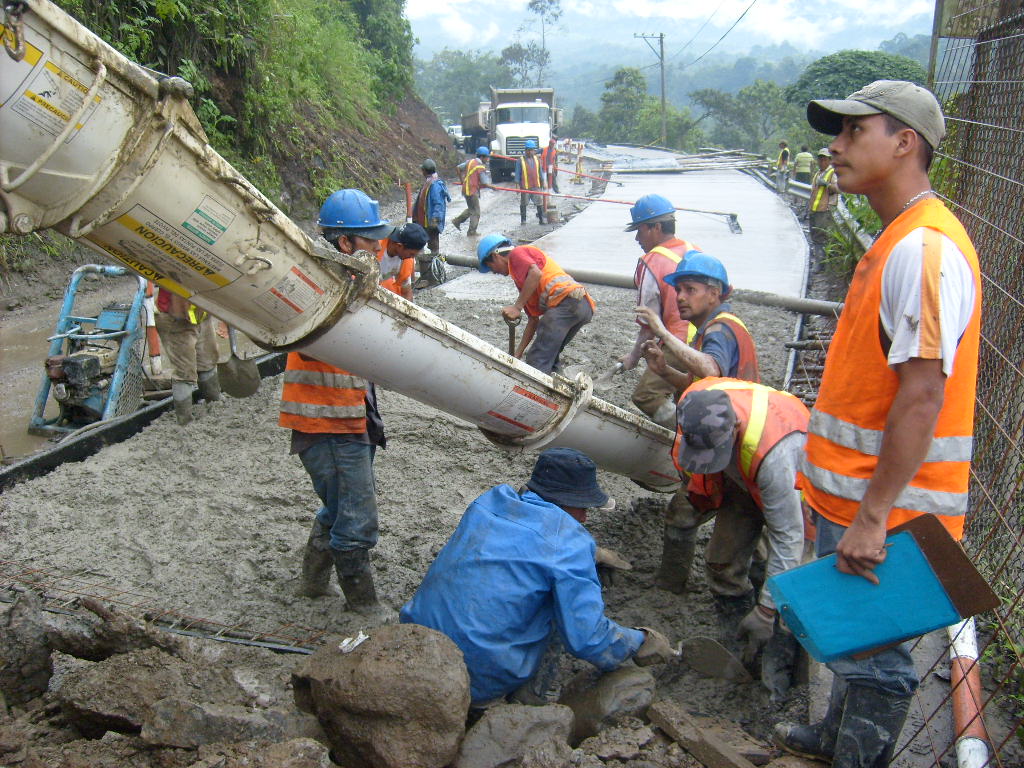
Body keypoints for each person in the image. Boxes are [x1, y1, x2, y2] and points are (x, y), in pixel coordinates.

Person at [772, 80, 982, 768]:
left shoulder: (922, 251)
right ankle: (831, 740)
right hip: (857, 496)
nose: (833, 148)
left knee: (879, 661)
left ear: (904, 142)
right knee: (854, 638)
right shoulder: (899, 239)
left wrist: (873, 516)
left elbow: (922, 396)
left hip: (886, 508)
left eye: (853, 131)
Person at [400, 447, 676, 709]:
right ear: (568, 502)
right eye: (583, 507)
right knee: (559, 610)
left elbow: (522, 545)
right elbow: (588, 638)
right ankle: (530, 698)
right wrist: (639, 641)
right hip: (475, 676)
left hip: (415, 643)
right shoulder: (571, 545)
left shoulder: (489, 502)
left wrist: (587, 556)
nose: (585, 517)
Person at [283, 189, 394, 617]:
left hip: (348, 418)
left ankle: (312, 584)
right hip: (328, 424)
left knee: (339, 505)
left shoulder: (347, 288)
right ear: (345, 244)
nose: (379, 249)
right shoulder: (319, 293)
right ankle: (363, 603)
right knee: (357, 515)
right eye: (370, 241)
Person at [634, 252, 761, 595]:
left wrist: (661, 329)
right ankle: (678, 586)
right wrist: (664, 371)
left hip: (734, 448)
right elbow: (701, 385)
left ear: (715, 293)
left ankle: (674, 589)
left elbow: (711, 371)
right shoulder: (711, 330)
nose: (680, 297)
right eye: (678, 291)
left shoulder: (721, 329)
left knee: (696, 522)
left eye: (690, 289)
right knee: (728, 521)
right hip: (733, 444)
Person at [671, 378, 808, 670]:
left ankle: (776, 654)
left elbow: (789, 537)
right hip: (742, 474)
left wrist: (767, 611)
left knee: (790, 585)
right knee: (722, 563)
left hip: (790, 481)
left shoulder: (774, 459)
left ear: (733, 429)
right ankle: (736, 641)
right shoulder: (694, 403)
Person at [618, 193, 701, 428]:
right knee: (685, 391)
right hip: (708, 336)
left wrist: (633, 358)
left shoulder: (652, 261)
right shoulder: (693, 249)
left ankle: (688, 435)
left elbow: (648, 322)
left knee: (647, 396)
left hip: (680, 339)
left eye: (640, 230)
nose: (637, 237)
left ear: (655, 227)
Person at [478, 234, 595, 374]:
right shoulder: (524, 282)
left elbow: (536, 274)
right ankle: (558, 393)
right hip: (582, 306)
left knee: (537, 359)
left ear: (496, 256)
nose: (493, 272)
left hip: (566, 303)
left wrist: (517, 307)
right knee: (551, 356)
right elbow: (533, 320)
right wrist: (517, 355)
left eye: (490, 267)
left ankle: (533, 395)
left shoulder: (517, 253)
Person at [154, 289, 221, 425]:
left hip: (200, 313)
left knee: (207, 360)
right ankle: (185, 421)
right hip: (175, 318)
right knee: (184, 372)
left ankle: (215, 403)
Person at [411, 158, 451, 288]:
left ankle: (434, 271)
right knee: (422, 243)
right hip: (424, 221)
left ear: (424, 171)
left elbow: (438, 203)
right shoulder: (430, 182)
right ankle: (425, 270)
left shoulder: (434, 184)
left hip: (430, 222)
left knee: (433, 246)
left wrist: (435, 219)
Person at [377, 222, 428, 300]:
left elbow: (406, 292)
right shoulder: (375, 247)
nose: (412, 257)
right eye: (411, 254)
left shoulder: (406, 260)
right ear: (399, 246)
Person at [452, 147, 491, 236]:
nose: (487, 159)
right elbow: (485, 182)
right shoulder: (480, 166)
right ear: (482, 157)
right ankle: (471, 231)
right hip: (472, 191)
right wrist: (492, 187)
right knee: (476, 212)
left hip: (466, 189)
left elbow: (458, 168)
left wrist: (462, 180)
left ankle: (457, 221)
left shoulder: (470, 162)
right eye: (486, 157)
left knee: (471, 209)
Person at [808, 148, 840, 259]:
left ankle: (820, 262)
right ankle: (818, 259)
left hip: (824, 210)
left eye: (824, 159)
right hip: (814, 209)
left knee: (820, 237)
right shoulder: (818, 173)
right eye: (820, 159)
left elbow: (837, 189)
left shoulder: (832, 173)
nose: (821, 161)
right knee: (814, 235)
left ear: (829, 160)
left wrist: (826, 184)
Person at [514, 139, 546, 225]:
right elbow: (517, 174)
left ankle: (541, 219)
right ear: (525, 150)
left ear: (534, 151)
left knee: (539, 202)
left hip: (536, 185)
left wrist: (543, 183)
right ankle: (523, 220)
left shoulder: (537, 160)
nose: (530, 152)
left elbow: (540, 172)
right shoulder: (520, 160)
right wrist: (517, 186)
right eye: (528, 150)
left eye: (532, 150)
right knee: (524, 203)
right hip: (525, 186)